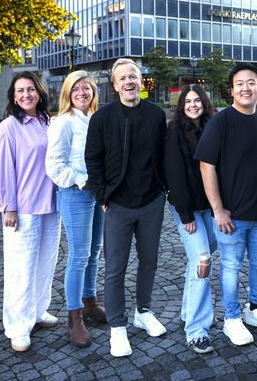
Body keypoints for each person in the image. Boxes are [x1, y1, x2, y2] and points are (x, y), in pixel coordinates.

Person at [84, 58, 167, 358]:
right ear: (115, 85)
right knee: (115, 268)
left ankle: (143, 312)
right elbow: (92, 159)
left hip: (151, 201)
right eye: (123, 78)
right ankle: (117, 327)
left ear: (141, 80)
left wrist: (164, 189)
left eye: (133, 75)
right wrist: (102, 195)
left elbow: (164, 155)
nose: (129, 81)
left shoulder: (157, 115)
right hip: (117, 203)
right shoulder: (102, 117)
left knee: (149, 261)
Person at [195, 64, 257, 346]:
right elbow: (206, 165)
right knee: (231, 265)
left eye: (252, 83)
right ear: (231, 90)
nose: (246, 88)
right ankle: (232, 318)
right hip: (231, 215)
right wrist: (218, 209)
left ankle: (255, 309)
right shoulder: (221, 122)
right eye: (240, 83)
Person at [0, 71, 60, 353]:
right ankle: (18, 326)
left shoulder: (49, 122)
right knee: (21, 268)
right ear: (13, 95)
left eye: (31, 89)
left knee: (46, 262)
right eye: (20, 90)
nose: (26, 95)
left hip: (52, 205)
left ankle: (38, 311)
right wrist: (8, 207)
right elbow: (4, 170)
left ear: (39, 92)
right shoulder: (8, 127)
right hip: (24, 208)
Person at [45, 70, 105, 348]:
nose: (82, 92)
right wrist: (82, 180)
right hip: (74, 193)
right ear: (67, 93)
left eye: (87, 88)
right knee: (79, 255)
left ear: (94, 92)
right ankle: (74, 316)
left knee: (94, 251)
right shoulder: (63, 122)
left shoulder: (94, 119)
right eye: (76, 88)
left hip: (97, 194)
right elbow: (54, 165)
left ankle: (89, 301)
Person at [163, 84, 218, 354]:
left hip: (209, 207)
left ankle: (188, 309)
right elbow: (174, 176)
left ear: (204, 103)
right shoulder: (174, 134)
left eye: (197, 100)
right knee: (203, 261)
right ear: (181, 105)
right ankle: (196, 329)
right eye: (188, 101)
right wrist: (185, 215)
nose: (193, 105)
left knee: (204, 254)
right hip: (187, 208)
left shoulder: (212, 127)